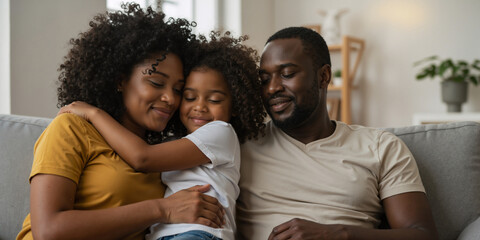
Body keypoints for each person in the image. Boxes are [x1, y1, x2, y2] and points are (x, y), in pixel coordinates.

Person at [17, 4, 226, 240]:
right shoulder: (71, 128)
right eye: (157, 83)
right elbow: (49, 231)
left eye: (179, 90)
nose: (170, 99)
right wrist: (161, 209)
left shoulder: (163, 155)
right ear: (120, 81)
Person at [57, 32, 265, 240]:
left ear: (235, 106)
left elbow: (142, 157)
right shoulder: (174, 141)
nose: (199, 107)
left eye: (215, 100)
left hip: (200, 233)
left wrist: (94, 113)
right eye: (189, 97)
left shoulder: (221, 132)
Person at [236, 27, 439, 240]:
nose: (271, 88)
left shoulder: (381, 147)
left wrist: (338, 234)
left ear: (323, 76)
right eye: (265, 79)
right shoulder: (239, 145)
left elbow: (423, 235)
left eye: (287, 74)